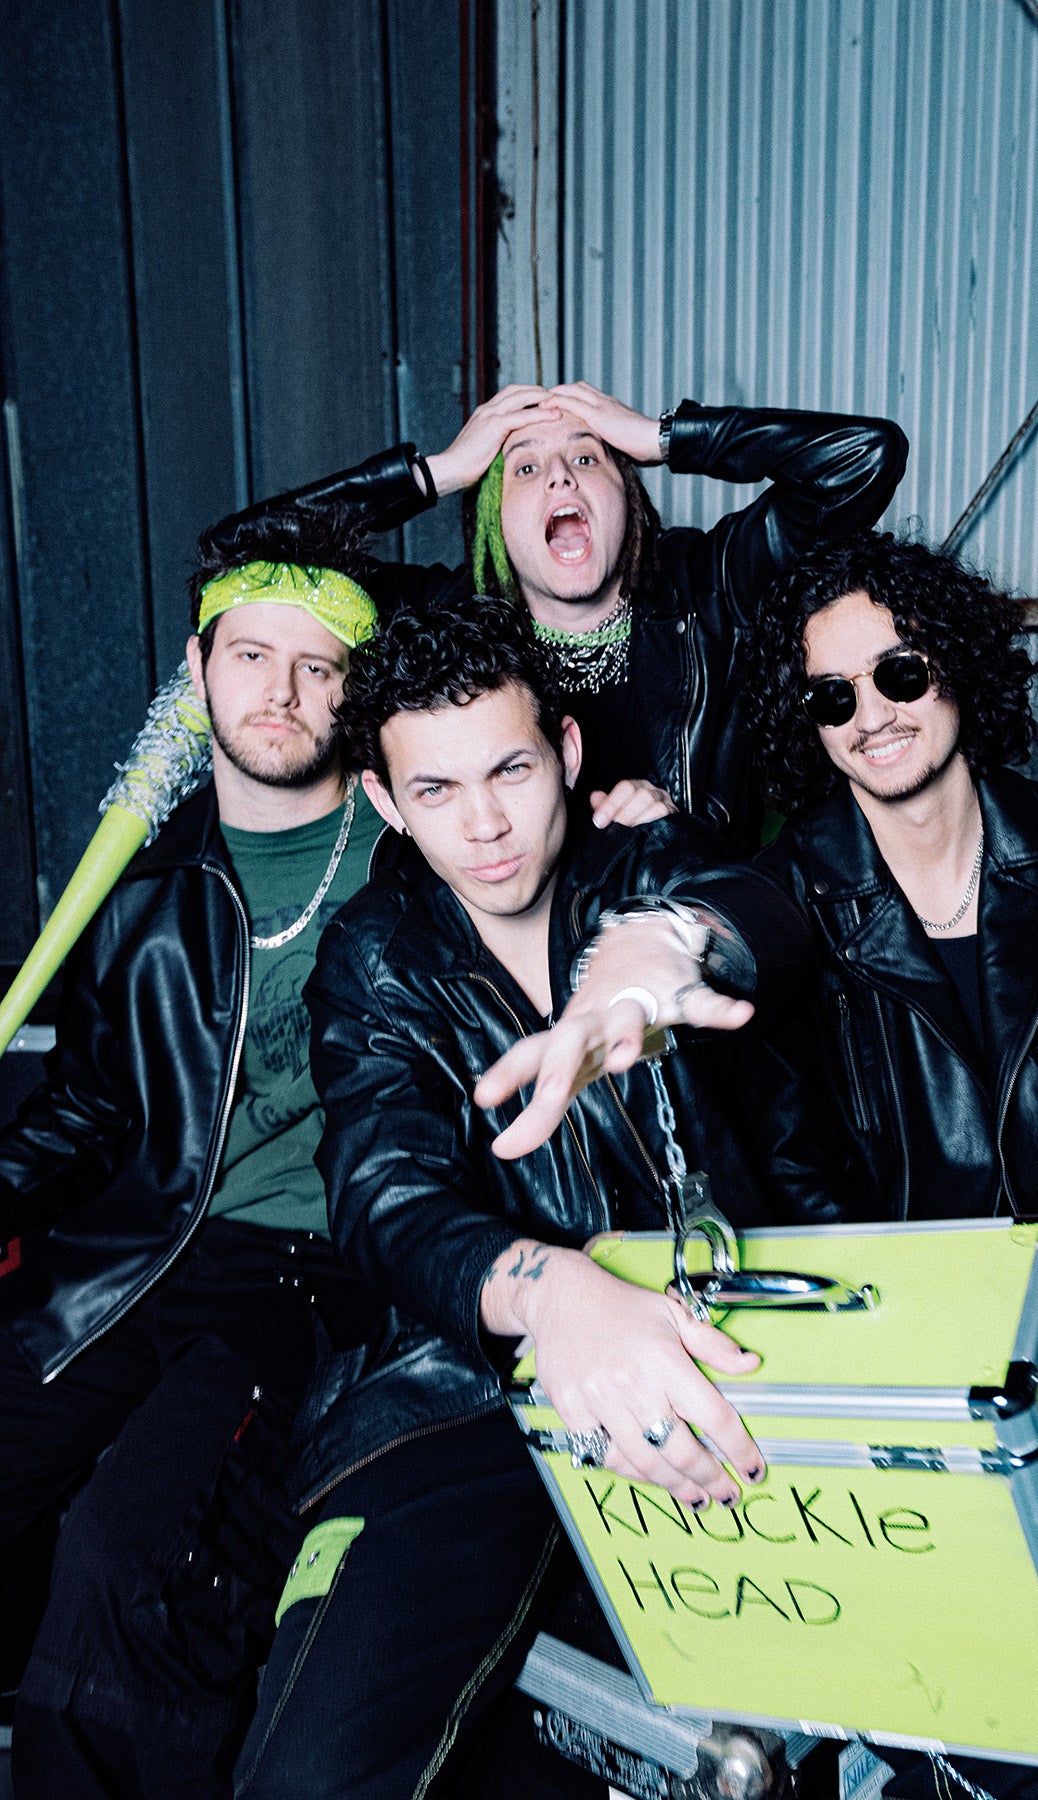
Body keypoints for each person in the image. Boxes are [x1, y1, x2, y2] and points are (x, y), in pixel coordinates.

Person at [232, 589, 809, 1799]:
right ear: (386, 801)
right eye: (435, 792)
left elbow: (774, 910)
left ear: (569, 750)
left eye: (510, 769)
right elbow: (380, 1195)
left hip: (716, 1359)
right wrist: (552, 1293)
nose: (486, 825)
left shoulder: (650, 861)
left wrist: (665, 946)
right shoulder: (375, 955)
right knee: (312, 1772)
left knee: (765, 1755)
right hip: (452, 1396)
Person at [741, 533, 1038, 1800]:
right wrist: (903, 1320)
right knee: (1000, 1715)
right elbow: (792, 1158)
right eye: (830, 697)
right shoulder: (795, 900)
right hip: (923, 1372)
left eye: (895, 673)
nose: (871, 717)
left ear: (956, 669)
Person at [0, 509, 386, 1799]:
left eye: (317, 664)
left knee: (132, 1564)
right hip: (134, 1251)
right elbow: (88, 1104)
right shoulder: (148, 892)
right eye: (251, 656)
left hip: (312, 1283)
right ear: (197, 668)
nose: (279, 692)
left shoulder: (422, 863)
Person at [208, 379, 908, 845]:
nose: (561, 476)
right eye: (524, 469)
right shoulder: (442, 625)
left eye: (588, 457)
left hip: (699, 946)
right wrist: (441, 470)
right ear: (495, 526)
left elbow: (863, 458)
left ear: (628, 501)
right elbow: (241, 557)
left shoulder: (709, 587)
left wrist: (662, 437)